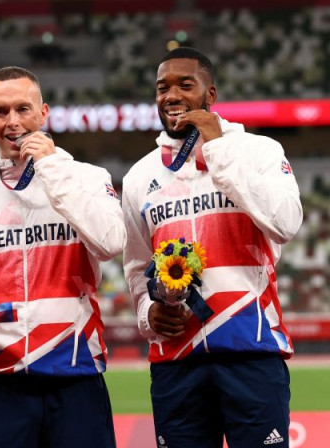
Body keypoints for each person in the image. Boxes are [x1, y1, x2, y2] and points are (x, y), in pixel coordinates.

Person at [122, 47, 303, 448]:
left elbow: (287, 222)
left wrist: (218, 148)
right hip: (176, 359)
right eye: (162, 87)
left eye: (186, 85)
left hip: (250, 351)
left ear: (210, 94)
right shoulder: (139, 176)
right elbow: (136, 266)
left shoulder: (258, 152)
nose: (171, 95)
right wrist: (146, 312)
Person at [0, 66, 125, 448]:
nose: (13, 122)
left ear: (44, 113)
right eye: (1, 111)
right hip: (1, 382)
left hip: (75, 372)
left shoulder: (88, 178)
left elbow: (111, 242)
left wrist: (52, 169)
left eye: (23, 109)